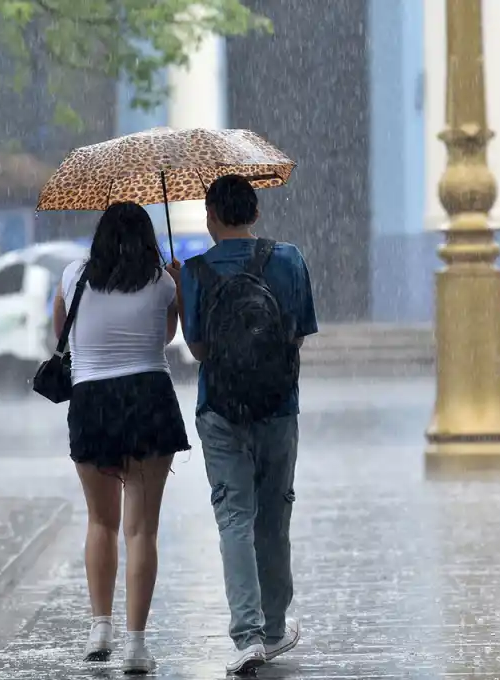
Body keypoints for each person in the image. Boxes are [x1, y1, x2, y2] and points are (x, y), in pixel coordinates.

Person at [180, 175, 317, 674]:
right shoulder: (288, 259)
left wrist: (185, 287)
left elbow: (197, 351)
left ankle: (247, 635)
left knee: (234, 516)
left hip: (220, 410)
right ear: (255, 214)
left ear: (210, 217)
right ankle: (276, 627)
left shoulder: (194, 271)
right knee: (274, 516)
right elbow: (298, 334)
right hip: (279, 408)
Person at [54, 202, 190, 674]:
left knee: (101, 522)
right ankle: (135, 645)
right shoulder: (163, 281)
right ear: (147, 240)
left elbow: (63, 337)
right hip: (148, 396)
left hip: (91, 400)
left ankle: (99, 630)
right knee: (141, 530)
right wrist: (177, 287)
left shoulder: (73, 276)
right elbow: (166, 336)